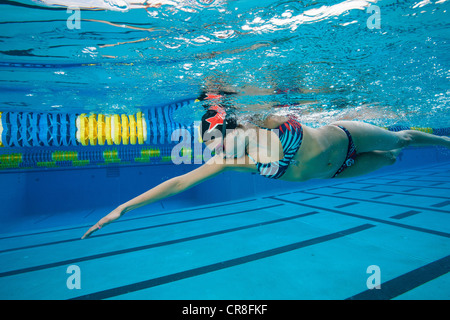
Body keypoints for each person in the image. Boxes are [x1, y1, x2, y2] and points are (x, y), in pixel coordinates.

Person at [81, 93, 450, 239]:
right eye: (213, 144)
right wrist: (123, 207)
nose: (217, 149)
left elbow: (276, 105)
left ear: (233, 127)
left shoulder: (267, 124)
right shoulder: (230, 161)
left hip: (346, 138)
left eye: (219, 138)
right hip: (336, 172)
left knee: (399, 139)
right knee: (390, 158)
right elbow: (180, 182)